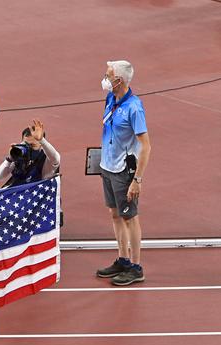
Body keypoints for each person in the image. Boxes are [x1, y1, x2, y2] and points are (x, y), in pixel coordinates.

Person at [96, 60, 151, 286]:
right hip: (107, 166)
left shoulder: (134, 108)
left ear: (119, 80)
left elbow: (146, 146)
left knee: (130, 218)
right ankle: (123, 259)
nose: (105, 79)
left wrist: (137, 179)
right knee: (115, 215)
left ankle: (136, 267)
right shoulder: (111, 98)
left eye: (109, 76)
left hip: (123, 171)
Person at [0, 119, 60, 187]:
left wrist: (41, 140)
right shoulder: (21, 153)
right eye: (25, 143)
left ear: (41, 145)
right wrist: (10, 158)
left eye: (33, 145)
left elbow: (55, 157)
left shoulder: (48, 159)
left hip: (38, 194)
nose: (28, 147)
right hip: (20, 192)